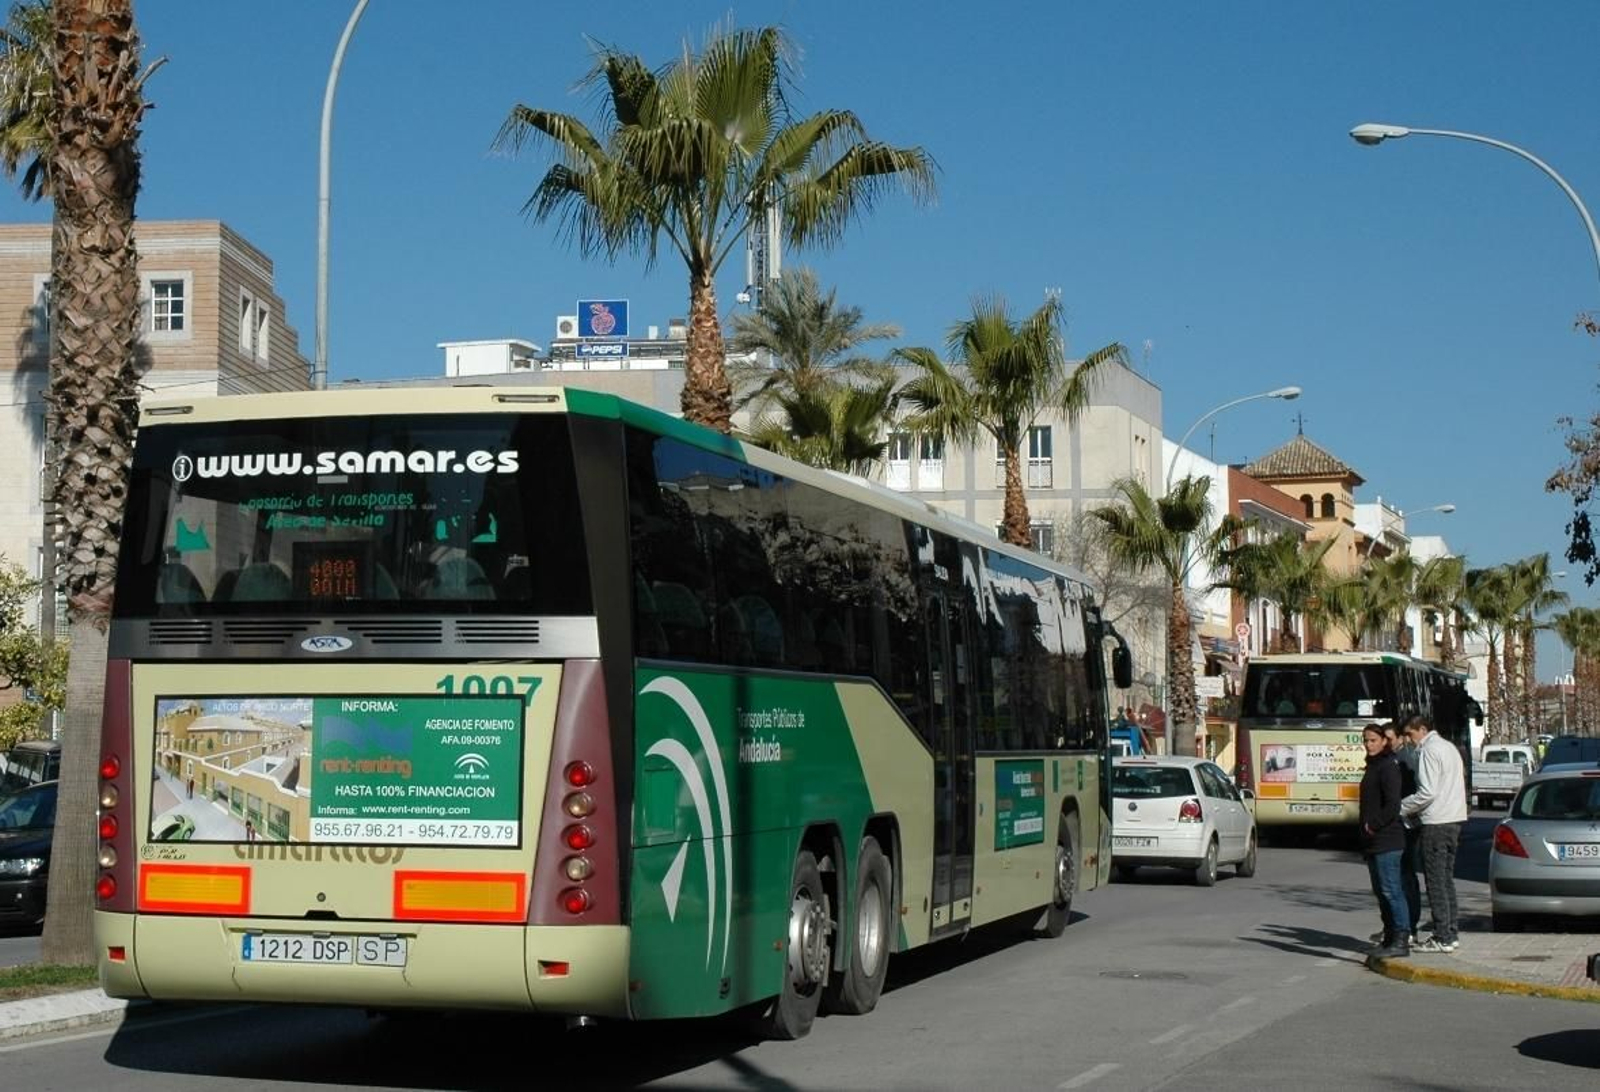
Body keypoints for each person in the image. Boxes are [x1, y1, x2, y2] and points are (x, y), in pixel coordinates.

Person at [1399, 713, 1468, 953]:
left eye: (1410, 733)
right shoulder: (1449, 748)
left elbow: (1427, 792)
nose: (1408, 739)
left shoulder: (1429, 751)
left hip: (1436, 822)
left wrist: (1401, 807)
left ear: (1422, 729)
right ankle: (1450, 932)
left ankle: (1442, 936)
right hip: (1454, 819)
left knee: (1436, 881)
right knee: (1446, 879)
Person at [1359, 724, 1411, 958]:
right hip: (1372, 840)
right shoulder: (1373, 766)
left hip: (1388, 839)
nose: (1368, 745)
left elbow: (1393, 805)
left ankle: (1401, 937)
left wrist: (1374, 824)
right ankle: (1389, 935)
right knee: (1381, 891)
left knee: (1391, 890)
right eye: (1366, 740)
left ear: (1383, 741)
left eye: (1373, 740)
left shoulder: (1388, 767)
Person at [1382, 721, 1422, 944]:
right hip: (1398, 823)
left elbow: (1409, 792)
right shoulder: (1391, 759)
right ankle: (1398, 926)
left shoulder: (1404, 759)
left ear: (1398, 738)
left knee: (1404, 876)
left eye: (1390, 738)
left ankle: (1409, 927)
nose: (1387, 743)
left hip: (1406, 824)